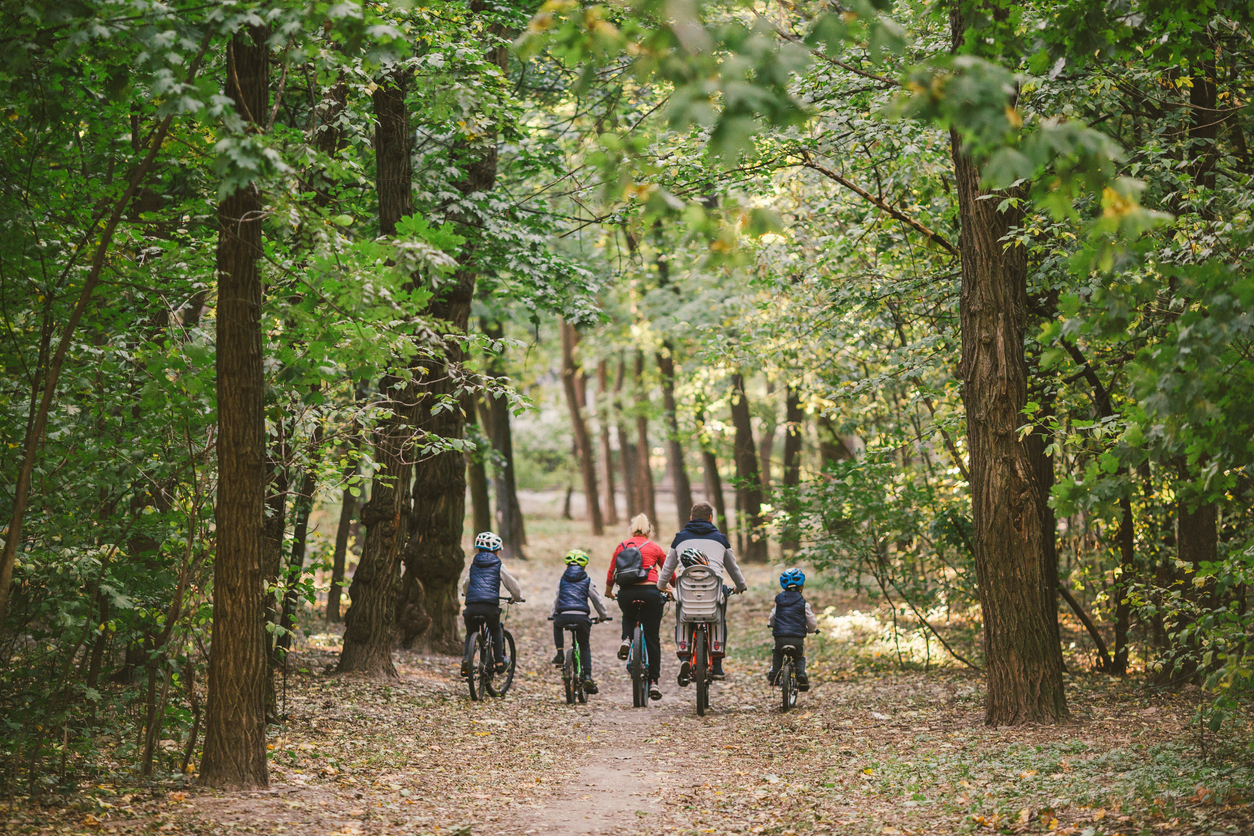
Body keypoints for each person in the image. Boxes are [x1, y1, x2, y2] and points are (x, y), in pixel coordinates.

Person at [655, 501, 747, 684]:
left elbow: (667, 569)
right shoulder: (721, 539)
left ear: (691, 518)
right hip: (713, 594)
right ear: (710, 518)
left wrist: (661, 586)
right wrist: (740, 586)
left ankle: (684, 659)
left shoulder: (679, 538)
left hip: (687, 592)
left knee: (682, 616)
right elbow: (733, 569)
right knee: (719, 617)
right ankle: (718, 664)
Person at [605, 513, 670, 701]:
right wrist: (671, 588)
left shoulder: (622, 546)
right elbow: (667, 572)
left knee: (629, 615)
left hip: (627, 593)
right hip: (651, 593)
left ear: (632, 530)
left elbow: (611, 573)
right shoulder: (655, 547)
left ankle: (627, 639)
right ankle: (655, 683)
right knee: (652, 638)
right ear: (649, 531)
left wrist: (609, 592)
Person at [461, 531, 523, 675]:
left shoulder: (474, 565)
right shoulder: (498, 565)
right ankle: (500, 661)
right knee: (495, 629)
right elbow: (512, 585)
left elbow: (466, 584)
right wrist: (517, 597)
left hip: (471, 606)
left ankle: (466, 660)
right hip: (489, 607)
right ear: (495, 550)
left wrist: (466, 594)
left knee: (470, 632)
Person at [550, 549, 610, 694]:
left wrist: (554, 614)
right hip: (582, 617)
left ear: (567, 567)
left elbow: (557, 600)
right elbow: (597, 600)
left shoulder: (562, 581)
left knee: (556, 624)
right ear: (584, 567)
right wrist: (603, 615)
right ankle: (588, 675)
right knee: (584, 645)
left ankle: (559, 654)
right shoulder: (587, 581)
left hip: (564, 615)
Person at [766, 567, 818, 690]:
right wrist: (812, 629)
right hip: (797, 638)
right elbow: (811, 621)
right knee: (799, 656)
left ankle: (774, 674)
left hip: (780, 637)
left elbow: (773, 616)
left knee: (777, 653)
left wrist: (770, 624)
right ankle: (801, 674)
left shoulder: (779, 601)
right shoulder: (803, 603)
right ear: (801, 587)